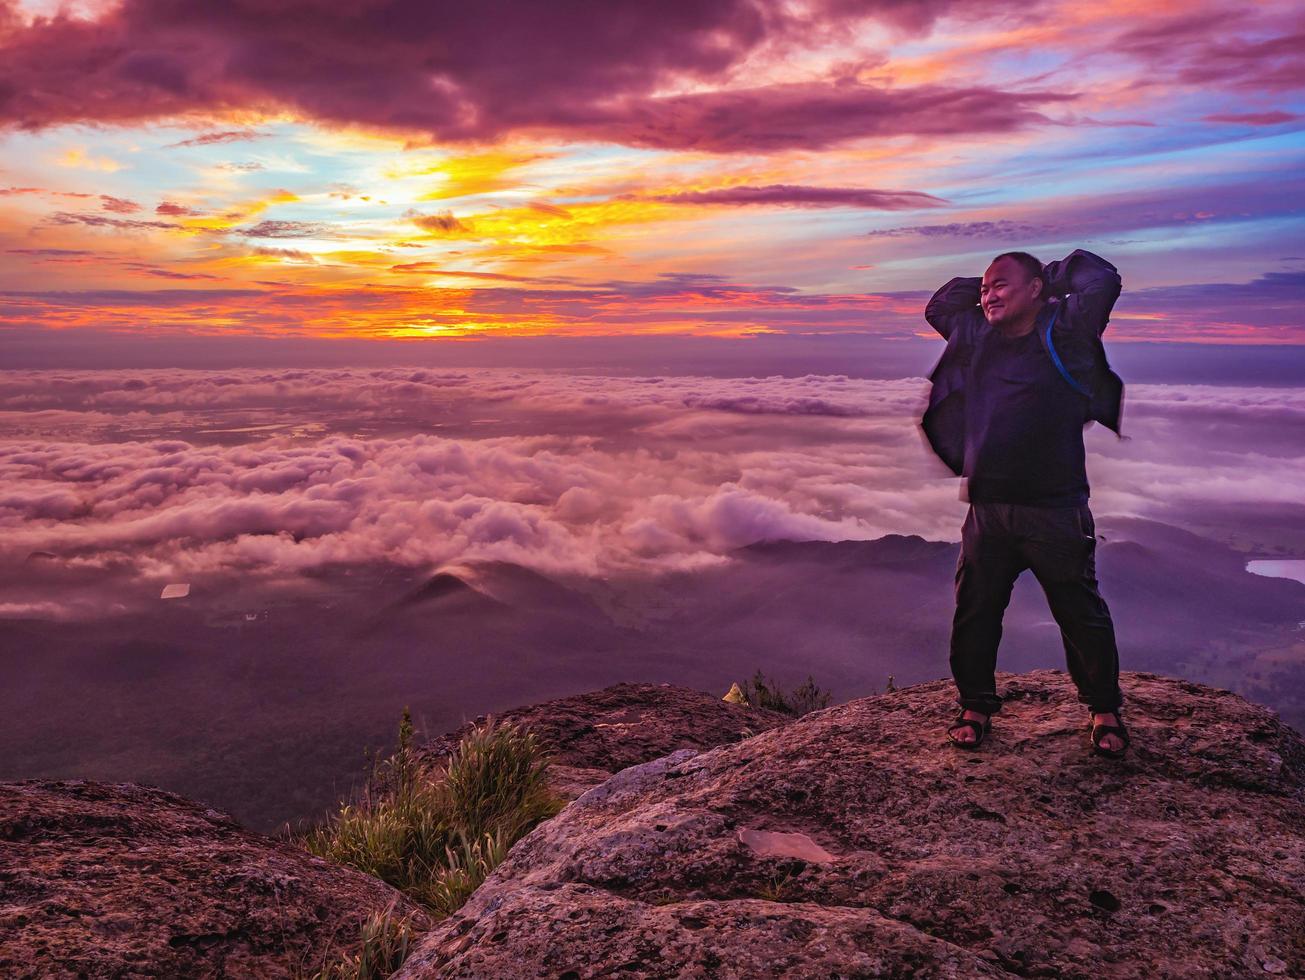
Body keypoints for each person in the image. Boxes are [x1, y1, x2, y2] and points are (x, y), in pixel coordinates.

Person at [919, 248, 1131, 758]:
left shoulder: (1069, 329)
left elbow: (1101, 276)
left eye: (1001, 286)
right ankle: (974, 705)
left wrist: (1042, 277)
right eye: (986, 289)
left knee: (1081, 613)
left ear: (1037, 289)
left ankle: (1103, 709)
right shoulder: (976, 334)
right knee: (975, 610)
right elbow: (940, 303)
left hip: (1055, 507)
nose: (988, 296)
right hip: (988, 507)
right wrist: (996, 287)